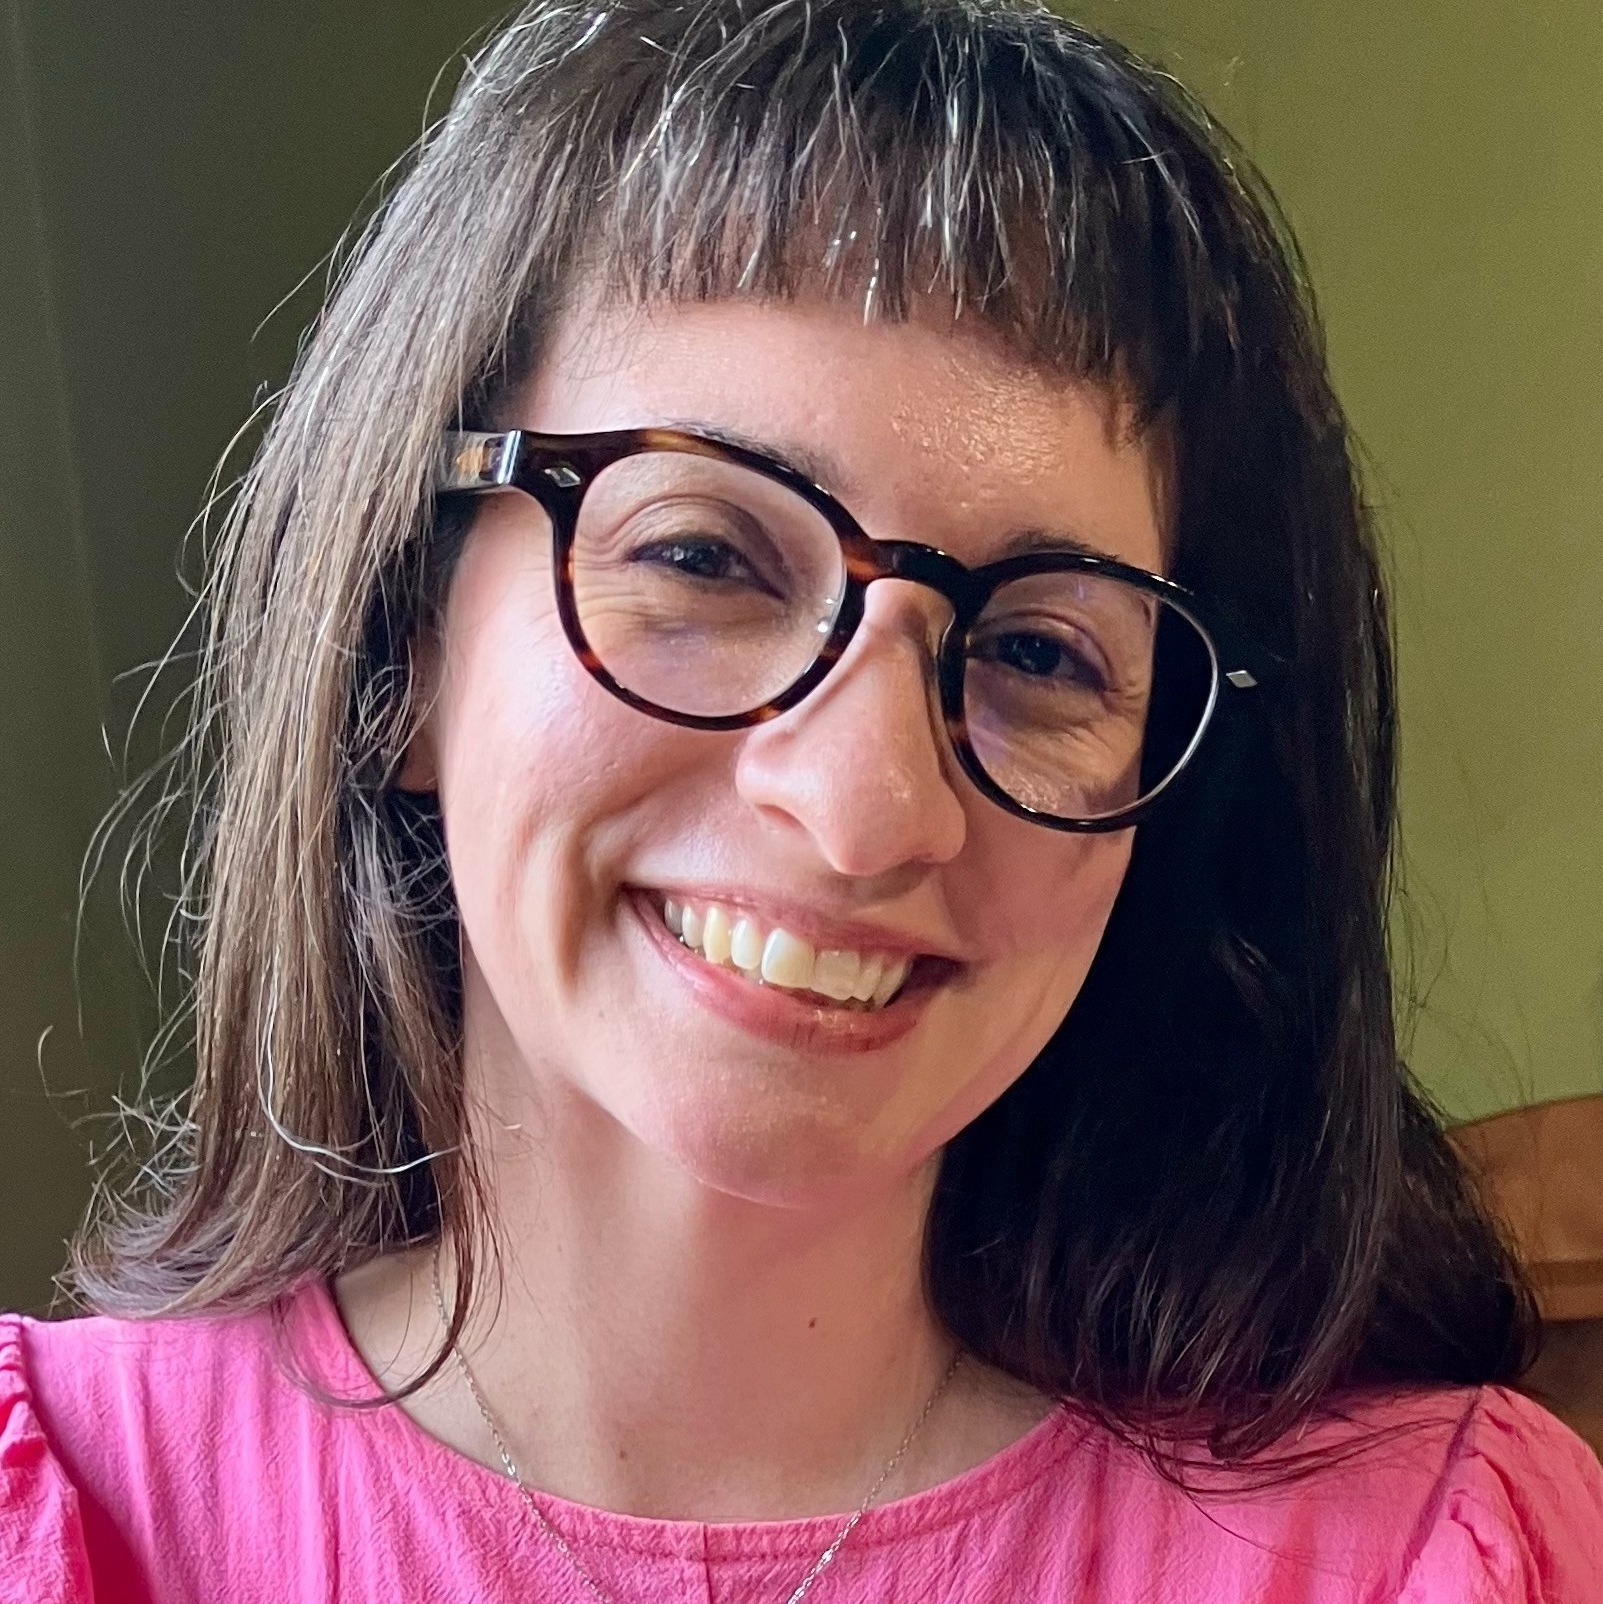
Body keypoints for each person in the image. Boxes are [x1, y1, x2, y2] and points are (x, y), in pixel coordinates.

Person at [4, 0, 1601, 1598]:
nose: (866, 808)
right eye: (703, 555)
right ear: (404, 646)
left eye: (1040, 651)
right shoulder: (69, 1514)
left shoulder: (1433, 1553)